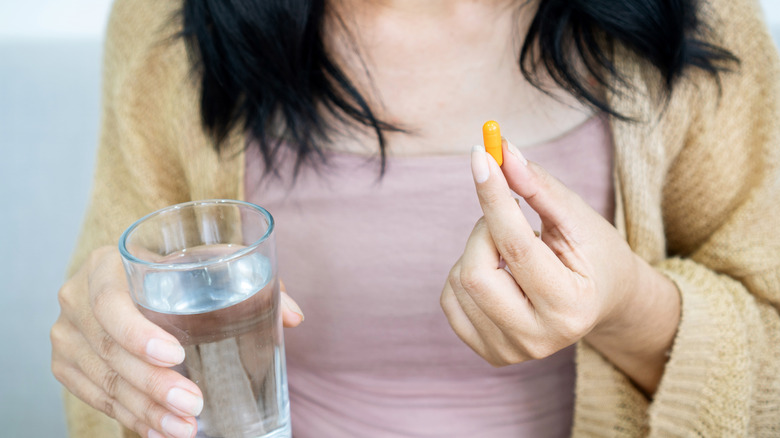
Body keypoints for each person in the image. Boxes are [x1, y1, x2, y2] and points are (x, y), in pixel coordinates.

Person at [50, 0, 780, 436]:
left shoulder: (700, 25)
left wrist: (627, 306)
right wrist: (116, 354)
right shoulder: (169, 29)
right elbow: (112, 359)